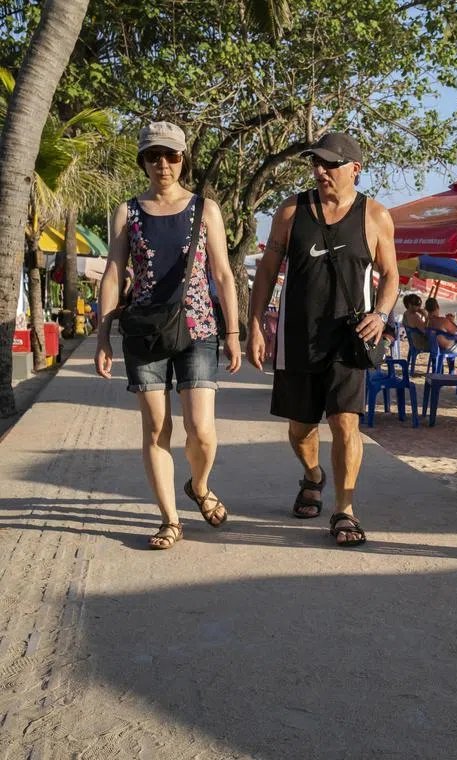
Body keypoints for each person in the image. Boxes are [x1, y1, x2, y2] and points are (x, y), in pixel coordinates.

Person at [246, 131, 399, 547]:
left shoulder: (376, 216)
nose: (320, 171)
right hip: (297, 337)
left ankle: (343, 509)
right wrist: (254, 322)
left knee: (346, 424)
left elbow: (391, 276)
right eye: (316, 163)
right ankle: (313, 476)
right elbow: (266, 270)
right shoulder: (292, 210)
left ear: (354, 169)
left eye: (330, 164)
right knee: (300, 429)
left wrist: (381, 314)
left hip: (349, 339)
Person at [95, 121, 242, 550]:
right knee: (157, 427)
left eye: (172, 155)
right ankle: (169, 520)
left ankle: (199, 485)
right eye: (154, 156)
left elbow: (223, 274)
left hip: (197, 328)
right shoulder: (127, 211)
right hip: (144, 330)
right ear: (143, 161)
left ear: (184, 159)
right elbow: (114, 273)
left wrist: (233, 332)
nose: (163, 164)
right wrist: (103, 334)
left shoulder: (205, 208)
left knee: (201, 430)